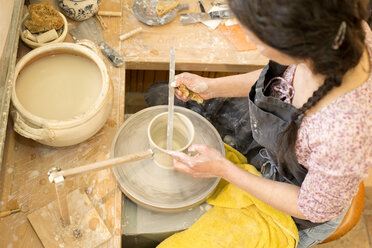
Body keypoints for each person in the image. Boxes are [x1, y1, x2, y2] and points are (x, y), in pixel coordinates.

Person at [145, 0, 371, 247]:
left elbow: (309, 207)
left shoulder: (346, 135)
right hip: (277, 140)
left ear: (293, 44)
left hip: (296, 199)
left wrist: (225, 169)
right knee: (159, 96)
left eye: (256, 39)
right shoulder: (338, 31)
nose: (250, 42)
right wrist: (210, 87)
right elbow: (278, 77)